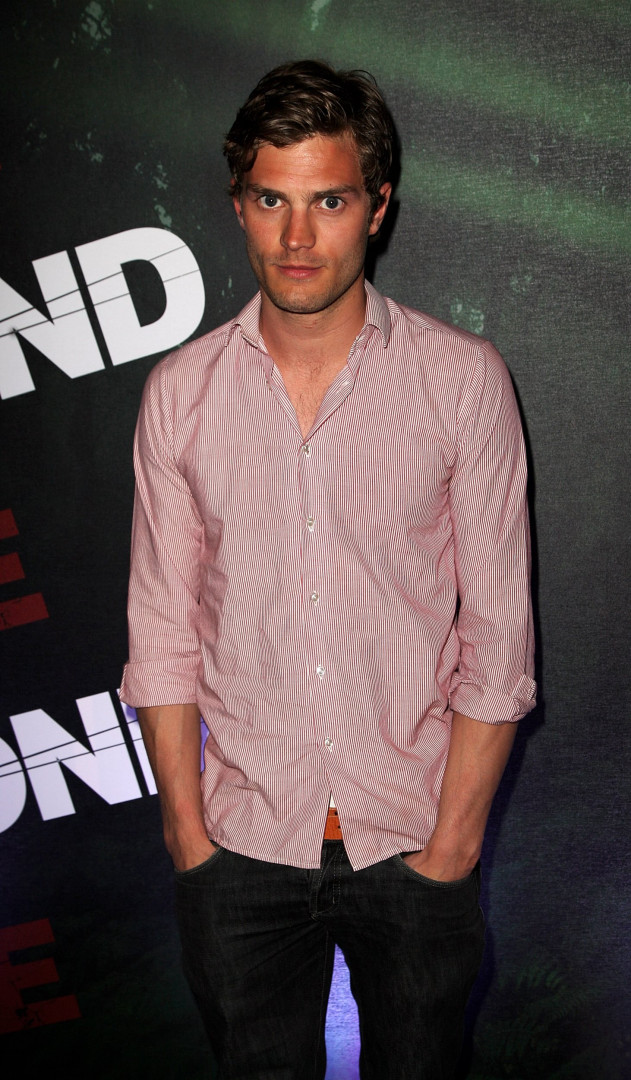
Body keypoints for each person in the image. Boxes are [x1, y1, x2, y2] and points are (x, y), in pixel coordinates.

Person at [120, 60, 536, 1080]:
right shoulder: (180, 393)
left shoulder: (461, 381)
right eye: (272, 200)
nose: (297, 237)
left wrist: (452, 849)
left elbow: (498, 638)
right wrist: (187, 838)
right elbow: (162, 633)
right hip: (238, 850)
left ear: (377, 207)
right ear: (239, 205)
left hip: (414, 842)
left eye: (330, 202)